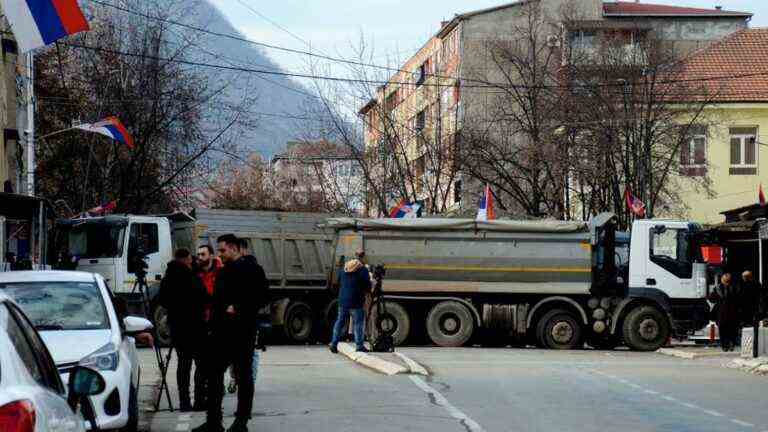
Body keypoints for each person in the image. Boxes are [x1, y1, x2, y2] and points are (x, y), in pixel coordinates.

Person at [194, 235, 269, 432]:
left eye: (222, 250)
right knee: (214, 374)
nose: (220, 254)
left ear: (234, 249)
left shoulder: (251, 269)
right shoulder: (225, 270)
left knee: (243, 375)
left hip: (241, 331)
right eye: (218, 251)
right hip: (220, 332)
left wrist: (238, 307)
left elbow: (262, 297)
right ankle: (213, 421)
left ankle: (241, 421)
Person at [157, 248, 210, 412]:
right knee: (201, 364)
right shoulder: (191, 277)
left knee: (183, 364)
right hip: (195, 325)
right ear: (187, 259)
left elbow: (163, 300)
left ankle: (184, 402)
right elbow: (203, 297)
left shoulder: (168, 278)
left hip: (177, 326)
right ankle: (199, 400)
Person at [329, 250, 372, 354]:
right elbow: (367, 286)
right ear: (362, 257)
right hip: (356, 301)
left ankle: (334, 344)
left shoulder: (344, 268)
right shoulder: (363, 269)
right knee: (358, 323)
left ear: (355, 256)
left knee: (340, 322)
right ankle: (359, 346)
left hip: (343, 301)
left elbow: (337, 282)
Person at [708, 273, 742, 352]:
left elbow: (711, 299)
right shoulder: (735, 288)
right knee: (732, 330)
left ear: (722, 280)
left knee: (723, 330)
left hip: (721, 313)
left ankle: (724, 346)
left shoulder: (718, 288)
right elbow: (739, 300)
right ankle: (731, 344)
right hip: (733, 312)